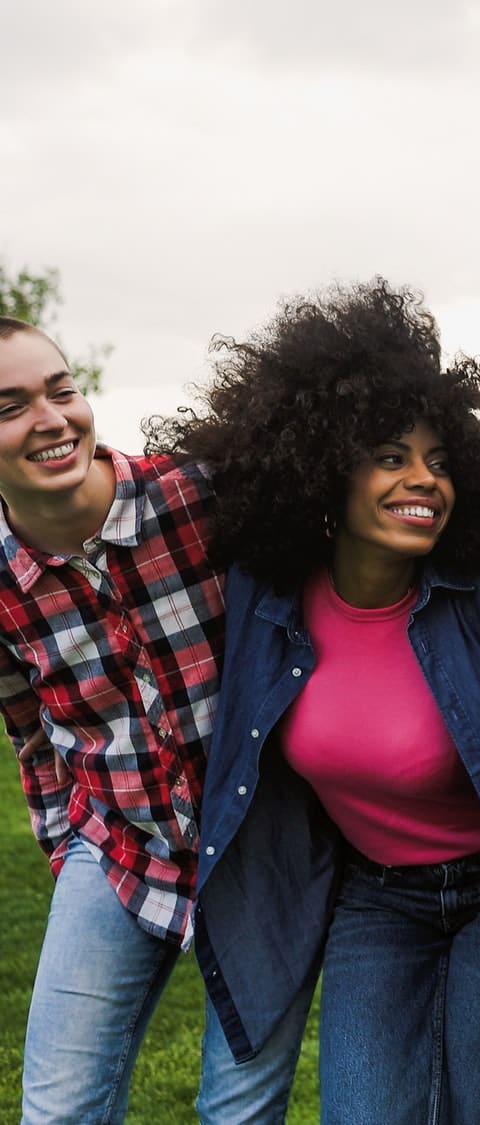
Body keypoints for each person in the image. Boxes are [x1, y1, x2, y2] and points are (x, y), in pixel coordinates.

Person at [149, 279, 480, 1124]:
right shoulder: (265, 599)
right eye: (390, 456)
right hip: (377, 895)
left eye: (440, 461)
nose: (424, 480)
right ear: (320, 469)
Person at [1, 316, 302, 1124]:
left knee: (237, 1112)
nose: (52, 418)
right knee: (58, 1110)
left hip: (257, 849)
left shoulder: (199, 495)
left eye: (61, 390)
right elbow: (28, 726)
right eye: (11, 406)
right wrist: (66, 840)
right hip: (118, 844)